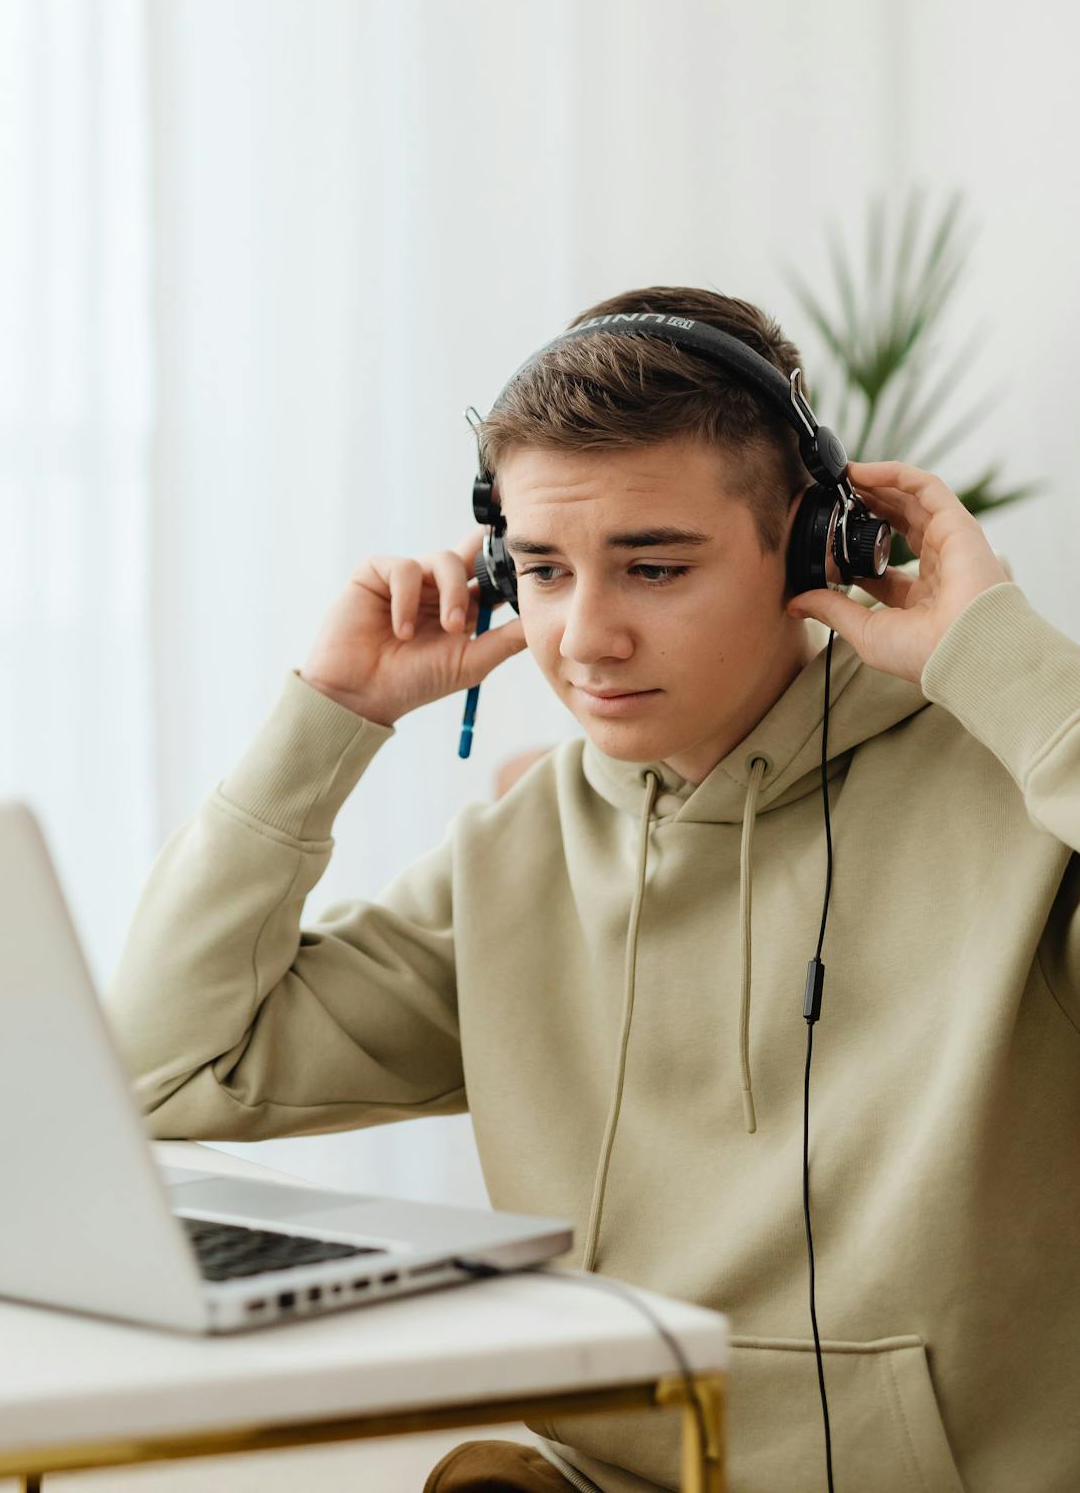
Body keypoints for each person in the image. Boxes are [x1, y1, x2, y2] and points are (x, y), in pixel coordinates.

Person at [104, 285, 1080, 1493]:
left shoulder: (1021, 801)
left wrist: (1005, 661)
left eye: (654, 567)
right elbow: (160, 1068)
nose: (584, 637)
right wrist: (329, 718)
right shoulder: (520, 850)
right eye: (546, 571)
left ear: (815, 547)